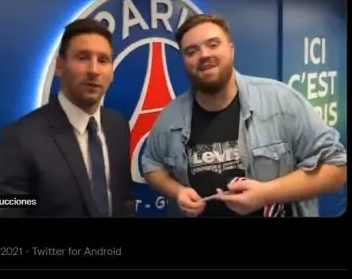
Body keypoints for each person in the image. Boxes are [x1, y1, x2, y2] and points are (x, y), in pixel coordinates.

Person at [141, 13, 347, 217]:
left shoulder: (282, 101)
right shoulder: (170, 117)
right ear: (185, 60)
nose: (204, 55)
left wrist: (266, 194)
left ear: (231, 49)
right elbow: (151, 165)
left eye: (213, 44)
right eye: (191, 51)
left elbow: (337, 168)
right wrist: (177, 191)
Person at [0, 18, 136, 217]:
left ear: (111, 72)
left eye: (103, 60)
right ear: (59, 65)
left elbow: (124, 199)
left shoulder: (118, 126)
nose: (94, 70)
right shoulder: (20, 138)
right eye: (82, 57)